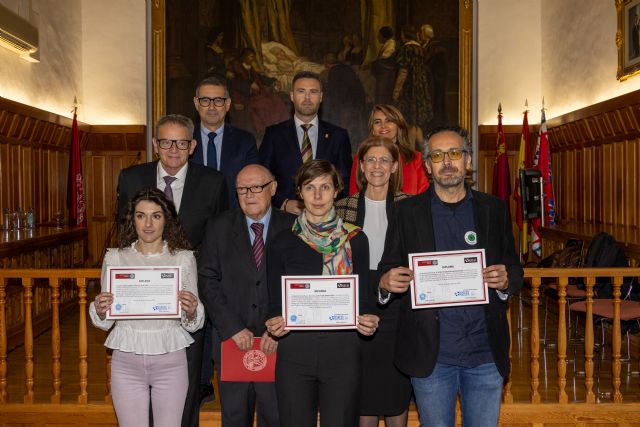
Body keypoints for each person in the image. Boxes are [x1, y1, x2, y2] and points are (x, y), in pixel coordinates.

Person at [378, 125, 523, 426]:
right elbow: (387, 267)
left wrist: (506, 279)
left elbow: (514, 267)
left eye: (454, 153)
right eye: (437, 155)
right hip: (433, 355)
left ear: (468, 161)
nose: (446, 162)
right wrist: (385, 282)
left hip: (484, 352)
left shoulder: (494, 209)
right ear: (427, 166)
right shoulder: (406, 212)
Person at [116, 114, 228, 427]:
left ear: (193, 146)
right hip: (140, 296)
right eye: (166, 142)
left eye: (181, 143)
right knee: (138, 378)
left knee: (185, 381)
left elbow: (220, 237)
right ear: (155, 144)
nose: (174, 150)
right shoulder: (131, 178)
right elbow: (123, 232)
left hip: (188, 295)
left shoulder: (213, 182)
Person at [264, 160, 379, 427]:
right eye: (310, 187)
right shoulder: (281, 241)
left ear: (337, 191)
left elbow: (363, 298)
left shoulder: (356, 240)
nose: (317, 196)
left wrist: (369, 318)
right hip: (295, 351)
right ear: (299, 192)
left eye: (325, 187)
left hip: (342, 350)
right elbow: (274, 301)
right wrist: (274, 320)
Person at [90, 188, 205, 427]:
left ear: (167, 220)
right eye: (141, 216)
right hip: (126, 360)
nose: (148, 224)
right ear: (132, 220)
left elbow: (193, 322)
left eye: (156, 216)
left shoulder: (183, 259)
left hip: (170, 360)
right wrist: (100, 308)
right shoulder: (115, 258)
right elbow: (105, 320)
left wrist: (192, 309)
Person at [198, 164, 295, 427]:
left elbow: (299, 283)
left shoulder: (293, 227)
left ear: (273, 188)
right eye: (242, 189)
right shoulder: (218, 227)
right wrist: (232, 327)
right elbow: (207, 280)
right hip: (232, 342)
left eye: (256, 187)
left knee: (275, 417)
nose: (249, 194)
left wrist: (279, 328)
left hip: (277, 341)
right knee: (234, 417)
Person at [335, 137, 411, 427]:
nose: (377, 166)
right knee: (364, 392)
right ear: (361, 166)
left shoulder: (411, 206)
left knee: (395, 389)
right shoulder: (341, 209)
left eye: (384, 160)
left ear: (394, 166)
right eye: (371, 160)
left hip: (400, 308)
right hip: (357, 307)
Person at [259, 71, 352, 215]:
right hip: (285, 219)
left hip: (326, 219)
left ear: (321, 97)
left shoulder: (338, 136)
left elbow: (344, 181)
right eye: (301, 91)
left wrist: (327, 206)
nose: (307, 97)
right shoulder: (274, 135)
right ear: (292, 96)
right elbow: (262, 178)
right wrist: (283, 203)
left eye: (313, 92)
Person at [191, 76, 259, 209]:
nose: (211, 107)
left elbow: (252, 183)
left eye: (218, 101)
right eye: (205, 100)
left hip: (232, 215)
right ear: (196, 103)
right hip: (192, 215)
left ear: (227, 104)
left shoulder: (245, 141)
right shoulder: (184, 140)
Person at [348, 104, 428, 196]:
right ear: (372, 129)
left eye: (388, 121)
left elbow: (424, 197)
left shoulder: (414, 158)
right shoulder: (361, 157)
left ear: (398, 126)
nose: (383, 126)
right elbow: (354, 197)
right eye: (377, 122)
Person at [229, 48, 289, 137]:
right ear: (244, 56)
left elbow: (259, 77)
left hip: (256, 94)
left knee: (277, 101)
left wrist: (273, 80)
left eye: (253, 57)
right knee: (263, 104)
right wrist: (250, 85)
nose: (253, 59)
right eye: (251, 57)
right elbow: (235, 83)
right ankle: (269, 129)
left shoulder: (250, 68)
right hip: (245, 96)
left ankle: (279, 126)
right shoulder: (236, 67)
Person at [393, 24, 433, 132]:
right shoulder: (420, 48)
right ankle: (418, 141)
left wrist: (396, 91)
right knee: (416, 123)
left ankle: (411, 142)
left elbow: (403, 72)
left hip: (408, 87)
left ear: (406, 35)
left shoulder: (406, 49)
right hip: (420, 87)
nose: (401, 36)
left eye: (402, 34)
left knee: (408, 121)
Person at [420, 24, 448, 127]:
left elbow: (428, 61)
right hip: (430, 78)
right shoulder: (427, 45)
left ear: (425, 34)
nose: (419, 35)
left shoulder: (435, 46)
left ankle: (436, 123)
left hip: (436, 79)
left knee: (436, 102)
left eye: (421, 32)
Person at [371, 26, 397, 105]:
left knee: (383, 98)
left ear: (384, 36)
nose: (377, 37)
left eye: (379, 35)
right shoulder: (386, 44)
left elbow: (384, 60)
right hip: (383, 76)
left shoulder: (391, 45)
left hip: (386, 77)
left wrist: (372, 64)